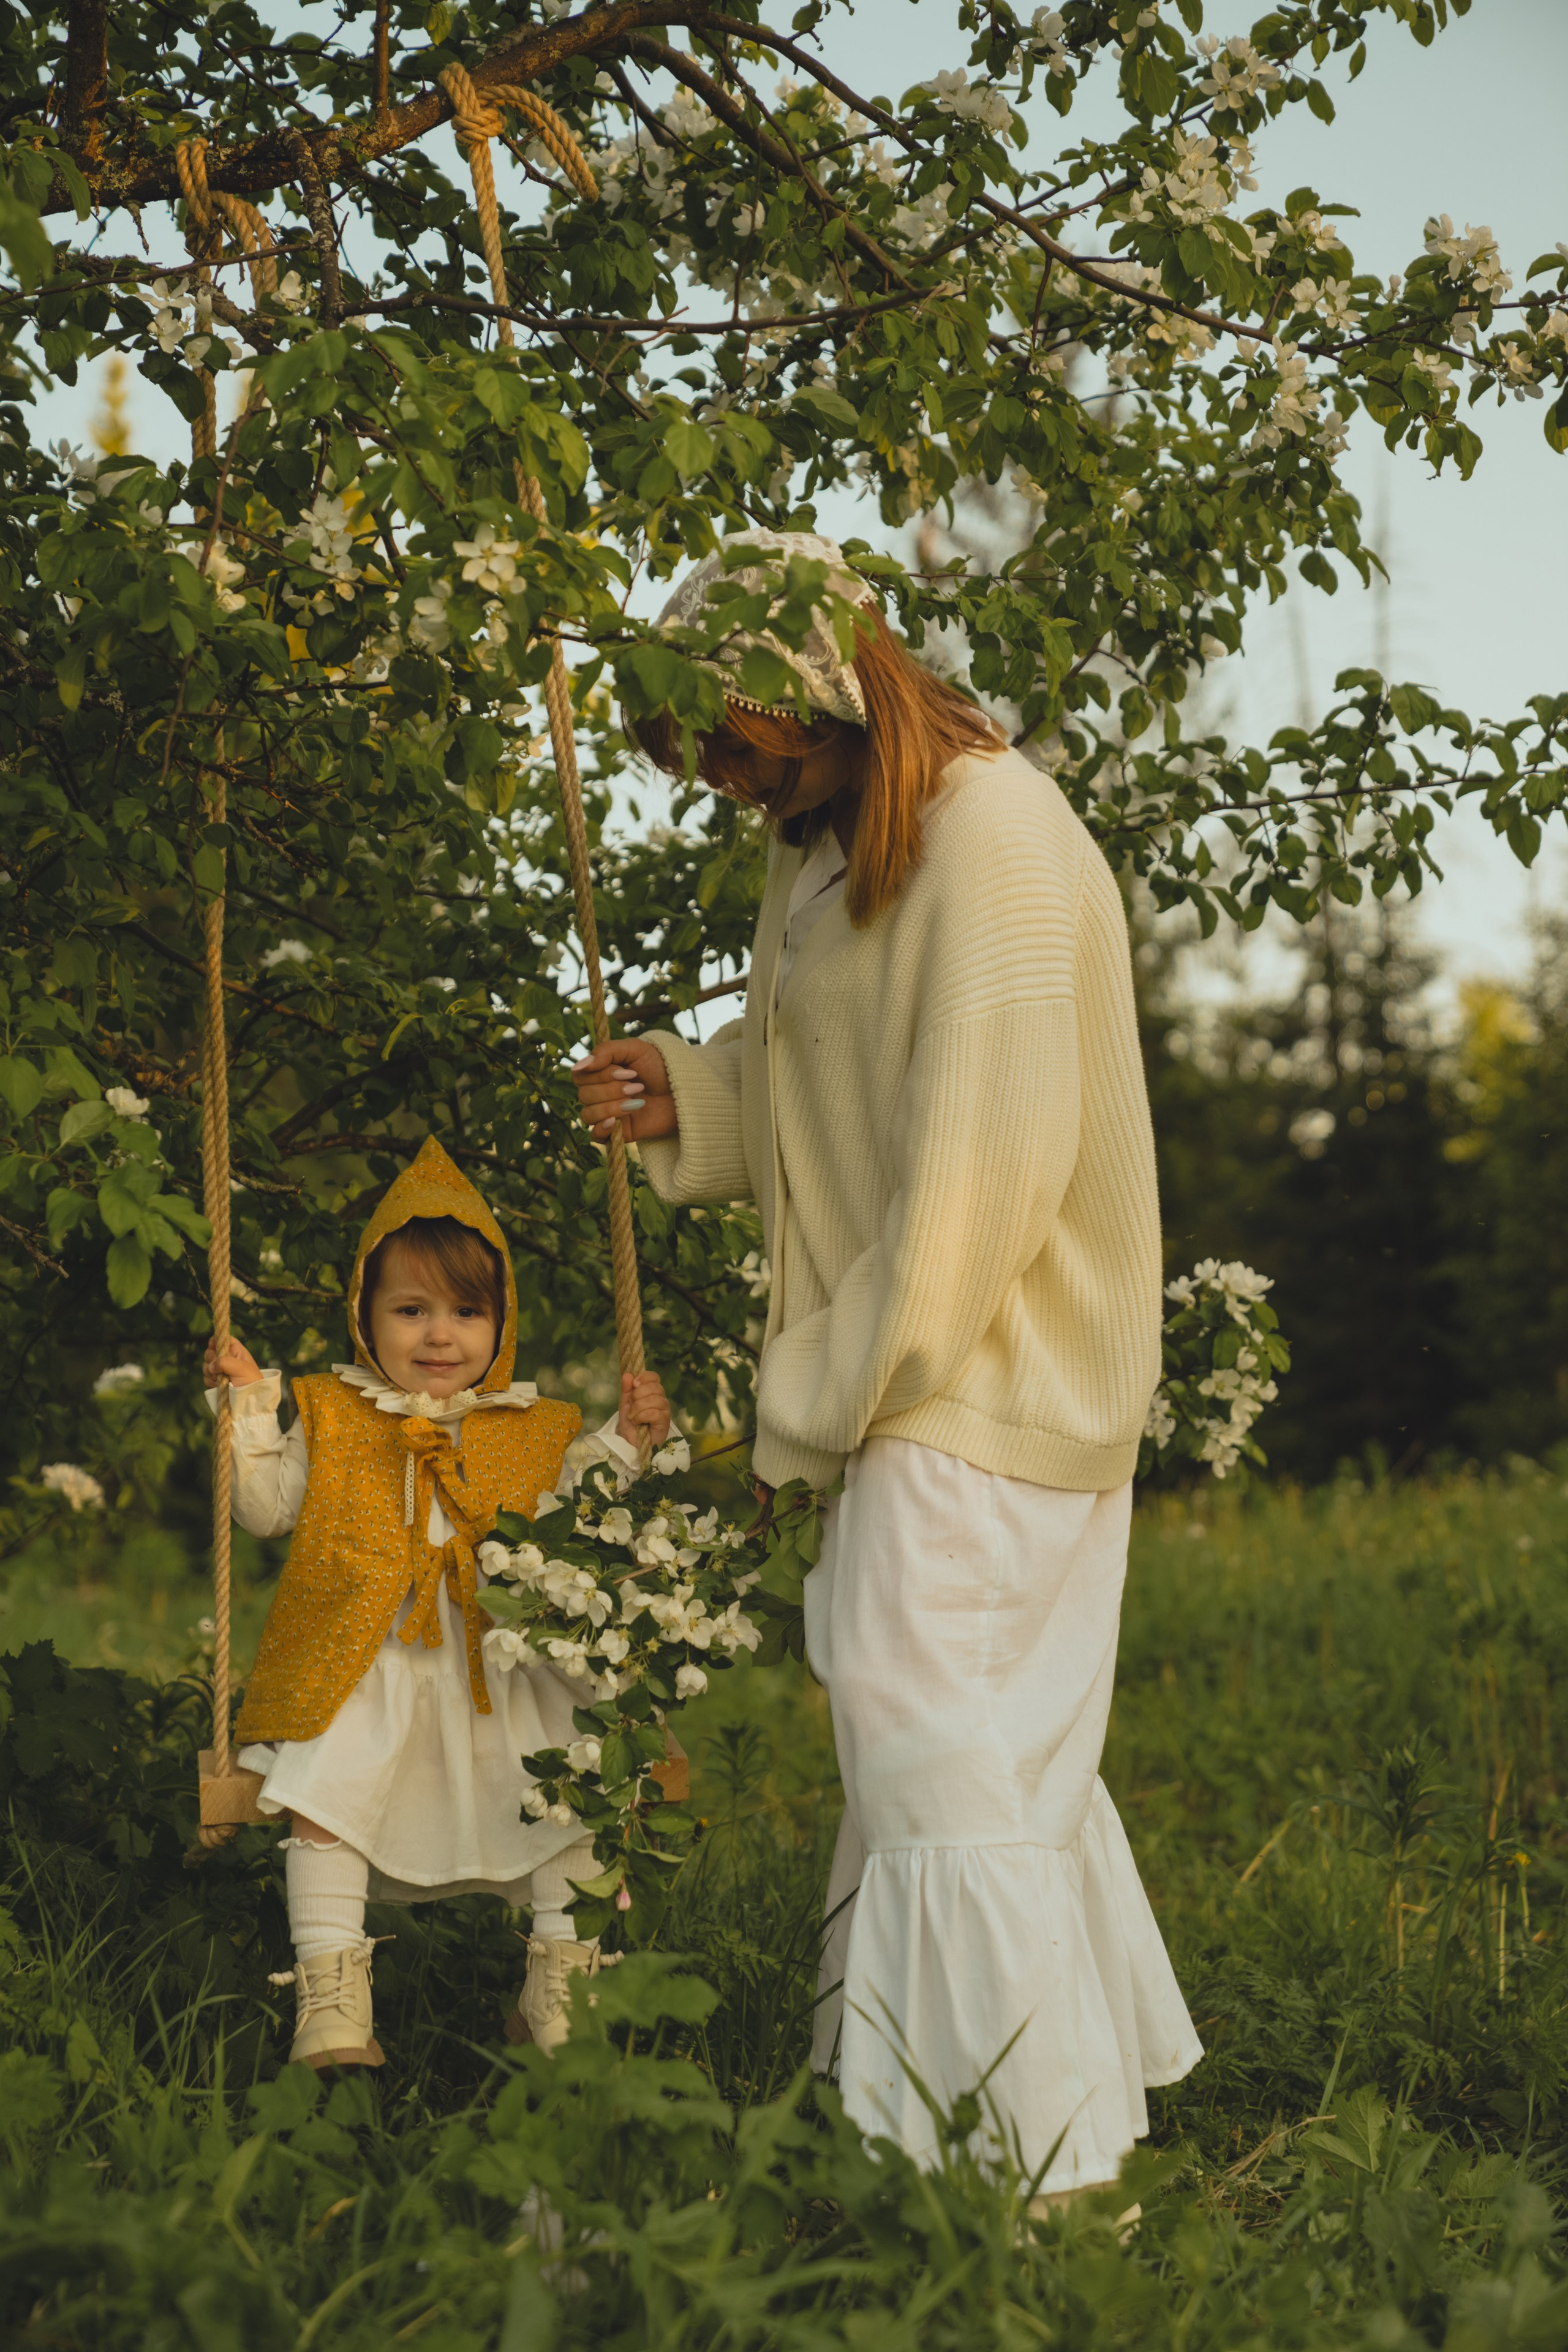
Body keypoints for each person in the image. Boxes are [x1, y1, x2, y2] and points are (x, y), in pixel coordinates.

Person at [573, 529, 1202, 2198]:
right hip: (944, 1374)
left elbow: (978, 1165)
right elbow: (827, 1074)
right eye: (685, 750)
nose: (712, 777)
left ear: (811, 683)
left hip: (973, 1372)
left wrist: (811, 1388)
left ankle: (1028, 2173)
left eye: (723, 734)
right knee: (974, 1763)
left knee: (929, 1751)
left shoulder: (988, 833)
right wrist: (685, 1094)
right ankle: (951, 2132)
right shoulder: (832, 840)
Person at [203, 1134, 671, 2068]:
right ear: (364, 1317)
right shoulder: (332, 1413)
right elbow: (260, 1509)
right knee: (321, 1808)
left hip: (500, 1665)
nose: (439, 1335)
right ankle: (332, 2001)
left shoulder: (534, 1430)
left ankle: (559, 1991)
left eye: (466, 1310)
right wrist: (249, 1404)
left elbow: (579, 1523)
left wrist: (628, 1444)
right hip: (362, 1666)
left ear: (501, 1323)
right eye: (410, 1310)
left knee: (567, 1803)